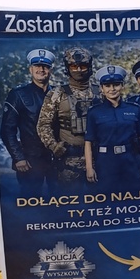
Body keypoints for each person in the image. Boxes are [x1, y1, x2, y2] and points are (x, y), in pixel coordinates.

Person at [37, 47, 98, 184]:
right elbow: (43, 124)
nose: (79, 70)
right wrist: (53, 146)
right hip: (68, 161)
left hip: (99, 160)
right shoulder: (57, 94)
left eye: (83, 66)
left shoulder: (101, 92)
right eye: (74, 66)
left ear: (89, 67)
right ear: (67, 68)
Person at [85, 65, 140, 188]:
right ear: (102, 88)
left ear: (122, 86)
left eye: (116, 85)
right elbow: (88, 141)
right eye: (107, 86)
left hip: (130, 160)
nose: (112, 89)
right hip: (105, 162)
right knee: (107, 196)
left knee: (133, 195)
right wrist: (89, 167)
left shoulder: (134, 109)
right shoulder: (94, 112)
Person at [0, 48, 57, 187]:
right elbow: (7, 129)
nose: (41, 70)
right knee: (31, 198)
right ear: (30, 69)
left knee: (60, 197)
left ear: (50, 70)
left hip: (56, 158)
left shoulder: (58, 94)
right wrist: (18, 157)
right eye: (37, 66)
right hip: (30, 159)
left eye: (45, 66)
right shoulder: (18, 94)